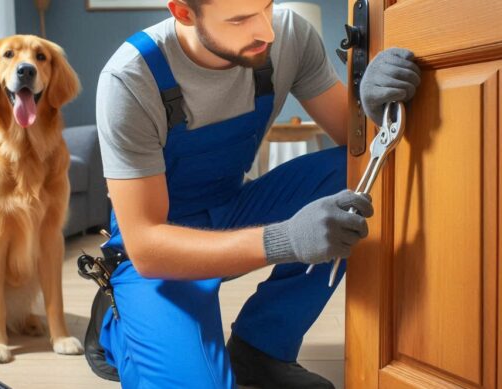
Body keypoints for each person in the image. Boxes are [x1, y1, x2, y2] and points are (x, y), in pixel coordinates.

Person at [88, 0, 421, 387]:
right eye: (240, 19)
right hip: (156, 249)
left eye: (267, 6)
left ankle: (261, 349)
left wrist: (373, 105)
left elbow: (357, 147)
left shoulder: (289, 35)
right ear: (183, 12)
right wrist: (286, 239)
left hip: (233, 208)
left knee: (347, 176)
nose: (266, 30)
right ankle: (116, 324)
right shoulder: (131, 78)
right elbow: (146, 245)